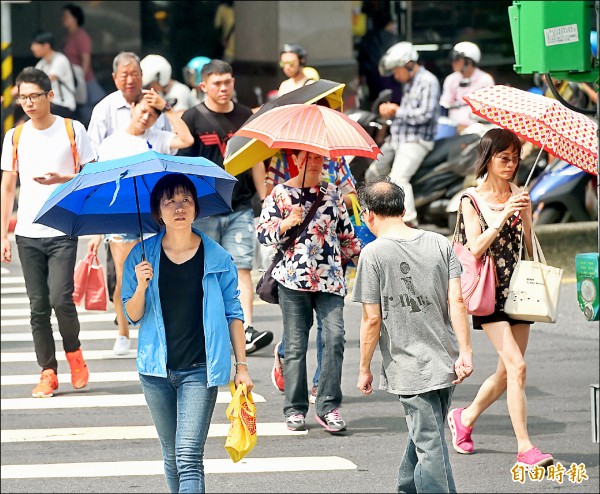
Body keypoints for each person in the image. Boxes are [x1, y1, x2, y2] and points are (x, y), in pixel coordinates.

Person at [122, 173, 252, 493]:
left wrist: (242, 367)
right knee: (171, 455)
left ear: (196, 208)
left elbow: (233, 313)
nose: (179, 208)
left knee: (188, 455)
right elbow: (132, 315)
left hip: (200, 369)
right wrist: (141, 286)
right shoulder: (140, 257)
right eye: (170, 202)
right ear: (158, 212)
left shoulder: (218, 257)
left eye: (186, 200)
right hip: (155, 371)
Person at [352, 177, 473, 492]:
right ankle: (407, 487)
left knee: (428, 441)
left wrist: (364, 367)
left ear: (368, 215)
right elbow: (457, 301)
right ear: (404, 209)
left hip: (409, 366)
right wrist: (465, 353)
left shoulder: (373, 254)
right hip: (443, 360)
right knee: (424, 435)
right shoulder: (439, 243)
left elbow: (371, 319)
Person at [447, 128, 554, 469]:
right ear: (488, 159)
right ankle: (525, 448)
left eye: (515, 159)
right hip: (488, 293)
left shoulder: (519, 193)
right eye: (504, 158)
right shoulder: (470, 200)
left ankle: (464, 418)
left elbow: (527, 243)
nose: (511, 165)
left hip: (519, 290)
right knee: (518, 366)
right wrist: (505, 213)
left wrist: (525, 215)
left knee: (508, 372)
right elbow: (475, 248)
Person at [0, 67, 96, 397]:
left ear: (49, 96)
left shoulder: (73, 130)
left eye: (33, 96)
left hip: (62, 229)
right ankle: (48, 371)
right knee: (37, 306)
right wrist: (3, 235)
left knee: (60, 298)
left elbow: (91, 176)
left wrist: (63, 180)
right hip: (26, 232)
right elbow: (8, 185)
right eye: (22, 97)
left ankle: (75, 353)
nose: (27, 102)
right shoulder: (14, 136)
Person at [257, 149, 361, 433]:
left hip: (330, 278)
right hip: (293, 279)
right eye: (310, 158)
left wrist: (362, 257)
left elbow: (346, 233)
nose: (316, 164)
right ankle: (294, 408)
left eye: (320, 159)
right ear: (298, 160)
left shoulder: (332, 192)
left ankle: (328, 406)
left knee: (335, 337)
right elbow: (263, 234)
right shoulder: (280, 193)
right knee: (295, 344)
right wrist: (287, 222)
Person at [179, 59, 273, 354]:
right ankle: (202, 330)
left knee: (241, 267)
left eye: (228, 82)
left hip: (240, 207)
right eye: (217, 83)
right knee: (203, 271)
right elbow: (182, 166)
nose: (223, 88)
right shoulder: (191, 118)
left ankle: (245, 330)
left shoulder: (246, 116)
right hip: (203, 209)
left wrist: (266, 201)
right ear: (203, 85)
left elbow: (257, 161)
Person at [92, 88, 194, 356]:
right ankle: (123, 332)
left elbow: (186, 138)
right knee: (125, 276)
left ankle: (160, 331)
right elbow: (100, 185)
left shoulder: (158, 138)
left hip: (157, 215)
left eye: (152, 113)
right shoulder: (111, 143)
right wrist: (97, 230)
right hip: (121, 216)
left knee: (159, 276)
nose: (146, 116)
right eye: (143, 110)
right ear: (133, 107)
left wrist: (168, 109)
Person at [365, 41, 440, 227]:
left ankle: (408, 222)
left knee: (399, 179)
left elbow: (425, 114)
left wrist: (396, 111)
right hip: (397, 139)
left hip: (417, 140)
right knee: (372, 174)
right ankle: (380, 217)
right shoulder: (409, 83)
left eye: (397, 70)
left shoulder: (428, 81)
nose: (396, 76)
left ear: (409, 64)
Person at [87, 51, 171, 151]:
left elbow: (170, 142)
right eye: (124, 76)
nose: (130, 81)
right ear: (115, 77)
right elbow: (93, 150)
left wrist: (167, 108)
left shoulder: (156, 101)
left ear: (142, 74)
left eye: (134, 74)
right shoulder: (103, 109)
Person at [61, 3, 106, 126]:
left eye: (66, 16)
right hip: (73, 80)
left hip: (83, 80)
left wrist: (81, 82)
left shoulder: (81, 36)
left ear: (75, 18)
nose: (63, 19)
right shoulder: (68, 36)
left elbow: (86, 60)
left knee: (89, 111)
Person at [439, 42, 495, 132]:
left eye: (457, 59)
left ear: (468, 61)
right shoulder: (451, 79)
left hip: (479, 127)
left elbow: (489, 111)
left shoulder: (485, 79)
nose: (453, 62)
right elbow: (445, 105)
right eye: (452, 59)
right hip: (454, 128)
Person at [357, 10, 400, 109]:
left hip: (372, 77)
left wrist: (361, 76)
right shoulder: (393, 38)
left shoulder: (367, 38)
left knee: (375, 103)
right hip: (390, 78)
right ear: (389, 23)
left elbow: (361, 59)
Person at [30, 32, 76, 119]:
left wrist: (13, 93)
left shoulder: (60, 60)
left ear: (46, 45)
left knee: (30, 118)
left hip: (62, 104)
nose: (32, 48)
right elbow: (31, 80)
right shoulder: (42, 63)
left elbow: (44, 80)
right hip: (49, 103)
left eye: (35, 45)